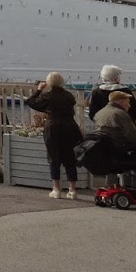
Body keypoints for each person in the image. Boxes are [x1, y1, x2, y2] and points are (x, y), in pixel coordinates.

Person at [26, 71, 83, 199]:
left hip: (53, 127)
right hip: (70, 126)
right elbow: (72, 104)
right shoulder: (68, 96)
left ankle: (56, 189)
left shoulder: (47, 96)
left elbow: (31, 102)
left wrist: (38, 90)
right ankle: (72, 190)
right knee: (70, 158)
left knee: (53, 157)